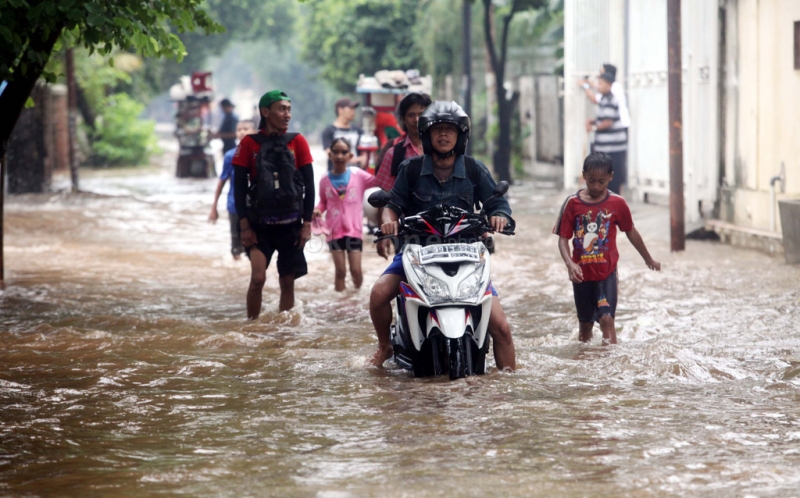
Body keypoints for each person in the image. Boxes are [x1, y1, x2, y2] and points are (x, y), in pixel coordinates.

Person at [368, 101, 516, 370]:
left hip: (468, 257)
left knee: (502, 329)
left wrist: (499, 217)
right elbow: (392, 206)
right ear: (426, 135)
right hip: (418, 253)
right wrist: (389, 223)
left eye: (450, 130)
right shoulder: (410, 169)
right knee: (378, 294)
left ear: (461, 136)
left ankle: (510, 386)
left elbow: (497, 204)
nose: (444, 135)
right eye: (437, 130)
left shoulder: (474, 169)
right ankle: (384, 346)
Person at [553, 152, 661, 345]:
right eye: (591, 181)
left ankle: (609, 366)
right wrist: (570, 264)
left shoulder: (617, 203)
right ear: (583, 175)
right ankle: (585, 364)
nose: (596, 187)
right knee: (585, 325)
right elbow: (563, 239)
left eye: (601, 182)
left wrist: (648, 259)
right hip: (581, 276)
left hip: (607, 274)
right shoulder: (572, 203)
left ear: (611, 177)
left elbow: (630, 231)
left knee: (606, 319)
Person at [232, 90, 315, 316]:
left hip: (291, 226)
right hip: (259, 227)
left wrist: (307, 224)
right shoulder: (249, 144)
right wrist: (244, 226)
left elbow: (310, 185)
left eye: (289, 109)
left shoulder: (298, 142)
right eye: (281, 109)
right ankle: (251, 328)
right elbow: (238, 188)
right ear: (265, 112)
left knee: (287, 281)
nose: (287, 114)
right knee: (258, 278)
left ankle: (284, 334)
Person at [312, 138, 379, 291]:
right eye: (335, 152)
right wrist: (317, 210)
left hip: (354, 230)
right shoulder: (324, 180)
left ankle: (357, 296)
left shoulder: (359, 175)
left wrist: (372, 160)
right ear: (330, 155)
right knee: (340, 271)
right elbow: (323, 202)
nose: (339, 156)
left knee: (356, 271)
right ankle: (340, 304)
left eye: (344, 152)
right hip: (333, 231)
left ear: (350, 156)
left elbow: (378, 181)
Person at [208, 119, 255, 260]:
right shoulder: (230, 156)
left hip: (255, 207)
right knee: (236, 245)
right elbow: (221, 182)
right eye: (239, 129)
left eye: (245, 129)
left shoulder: (259, 154)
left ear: (254, 132)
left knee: (255, 244)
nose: (241, 132)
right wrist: (214, 208)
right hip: (234, 206)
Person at [578, 65, 629, 195]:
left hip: (614, 144)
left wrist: (594, 127)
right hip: (608, 144)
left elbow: (608, 121)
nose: (597, 86)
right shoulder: (605, 97)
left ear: (608, 83)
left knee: (613, 178)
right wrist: (594, 122)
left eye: (600, 83)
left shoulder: (611, 97)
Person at [321, 97, 368, 172]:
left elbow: (365, 151)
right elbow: (330, 153)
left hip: (355, 173)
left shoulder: (358, 130)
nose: (353, 112)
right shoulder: (329, 131)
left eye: (354, 109)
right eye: (350, 109)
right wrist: (355, 160)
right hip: (336, 173)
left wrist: (364, 158)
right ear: (340, 110)